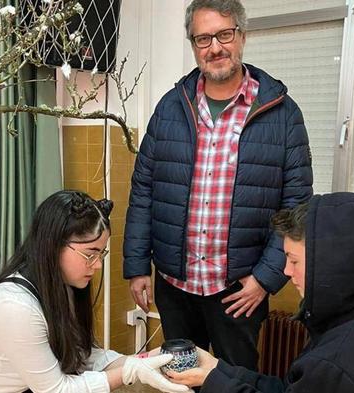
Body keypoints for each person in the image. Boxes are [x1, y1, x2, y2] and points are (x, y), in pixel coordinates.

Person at [123, 0, 313, 371]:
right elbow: (143, 188)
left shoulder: (283, 113)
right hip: (174, 283)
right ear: (193, 45)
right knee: (179, 376)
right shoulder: (170, 108)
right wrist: (136, 265)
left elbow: (296, 206)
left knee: (234, 381)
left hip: (239, 290)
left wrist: (265, 278)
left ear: (241, 36)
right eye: (203, 38)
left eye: (224, 34)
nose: (215, 47)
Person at [166, 192, 354, 393]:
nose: (287, 272)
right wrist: (216, 370)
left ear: (334, 265)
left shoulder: (336, 361)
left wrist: (213, 381)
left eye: (294, 261)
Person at [0, 190, 191, 393]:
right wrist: (129, 373)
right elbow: (57, 390)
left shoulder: (60, 286)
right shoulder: (14, 307)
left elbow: (83, 354)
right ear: (54, 244)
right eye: (90, 254)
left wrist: (144, 361)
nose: (97, 265)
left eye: (101, 253)